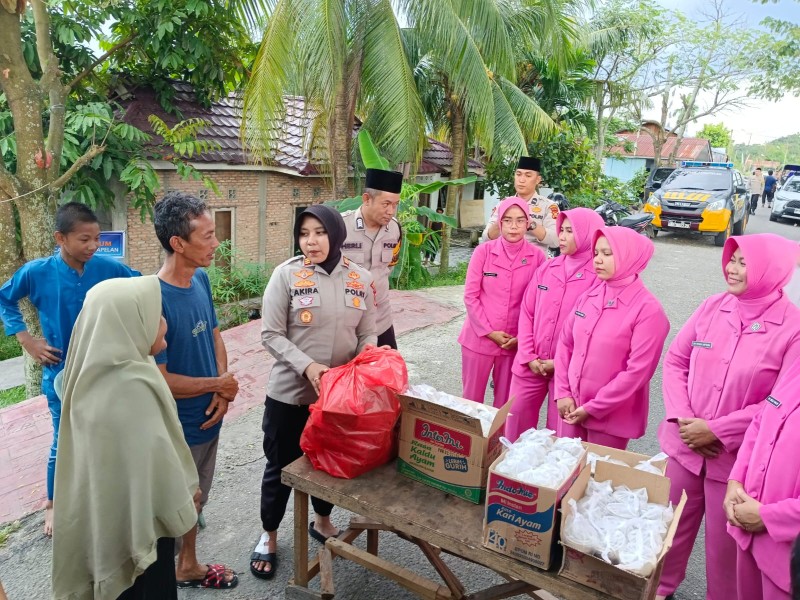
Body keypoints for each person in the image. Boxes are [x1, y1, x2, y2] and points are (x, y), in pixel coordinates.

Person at [655, 233, 800, 600]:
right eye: (731, 260)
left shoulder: (793, 329)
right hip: (685, 446)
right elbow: (675, 361)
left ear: (771, 269)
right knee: (663, 534)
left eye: (743, 262)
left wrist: (716, 431)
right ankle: (658, 591)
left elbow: (779, 403)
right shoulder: (712, 306)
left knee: (725, 560)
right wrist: (683, 420)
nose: (732, 269)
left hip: (735, 465)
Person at [51, 277, 200, 600]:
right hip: (138, 524)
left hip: (110, 521)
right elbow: (157, 468)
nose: (163, 324)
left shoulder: (101, 375)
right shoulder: (128, 391)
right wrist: (187, 493)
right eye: (156, 315)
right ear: (128, 323)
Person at [252, 204, 377, 579]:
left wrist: (366, 354)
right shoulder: (286, 275)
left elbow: (367, 331)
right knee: (280, 467)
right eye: (304, 233)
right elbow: (270, 334)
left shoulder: (360, 278)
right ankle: (269, 534)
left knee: (328, 464)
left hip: (337, 398)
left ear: (335, 234)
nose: (311, 241)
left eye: (319, 232)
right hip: (290, 395)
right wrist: (308, 367)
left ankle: (322, 521)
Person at [0, 202, 139, 537]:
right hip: (60, 375)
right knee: (63, 443)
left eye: (96, 238)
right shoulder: (37, 272)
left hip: (106, 374)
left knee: (111, 437)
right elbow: (5, 298)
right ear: (60, 238)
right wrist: (27, 340)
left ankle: (110, 497)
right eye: (84, 239)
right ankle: (54, 504)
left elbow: (142, 288)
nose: (92, 246)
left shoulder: (108, 268)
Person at [152, 191, 239, 589]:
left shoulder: (201, 278)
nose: (216, 243)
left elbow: (216, 337)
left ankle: (187, 562)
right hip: (178, 426)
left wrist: (221, 392)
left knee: (198, 496)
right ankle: (163, 574)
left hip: (210, 416)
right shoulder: (154, 300)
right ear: (178, 243)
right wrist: (217, 384)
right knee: (176, 504)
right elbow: (161, 379)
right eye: (207, 236)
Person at [554, 227, 669, 449]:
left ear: (629, 256)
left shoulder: (648, 311)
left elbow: (637, 372)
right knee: (565, 474)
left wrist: (593, 407)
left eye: (607, 254)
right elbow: (566, 344)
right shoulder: (589, 296)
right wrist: (563, 392)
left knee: (600, 479)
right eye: (596, 253)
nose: (597, 260)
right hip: (571, 407)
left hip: (610, 419)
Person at [505, 207, 604, 439]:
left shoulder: (598, 277)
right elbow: (528, 312)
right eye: (561, 230)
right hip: (531, 364)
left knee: (560, 434)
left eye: (570, 231)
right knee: (514, 423)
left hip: (569, 372)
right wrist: (528, 355)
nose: (561, 236)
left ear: (588, 234)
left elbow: (592, 331)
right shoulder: (548, 268)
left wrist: (559, 363)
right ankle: (510, 474)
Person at [458, 197, 545, 407]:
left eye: (519, 220)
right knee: (471, 401)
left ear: (528, 223)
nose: (513, 226)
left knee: (505, 404)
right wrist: (489, 332)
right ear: (499, 223)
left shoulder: (538, 257)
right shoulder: (483, 252)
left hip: (513, 342)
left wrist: (522, 338)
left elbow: (538, 303)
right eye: (507, 220)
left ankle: (497, 441)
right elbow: (471, 296)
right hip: (478, 339)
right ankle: (471, 441)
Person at [724, 360, 800, 600]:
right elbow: (761, 422)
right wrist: (735, 480)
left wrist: (768, 517)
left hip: (788, 557)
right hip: (750, 534)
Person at [342, 168, 402, 349]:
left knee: (388, 371)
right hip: (349, 322)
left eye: (396, 204)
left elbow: (389, 266)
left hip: (381, 319)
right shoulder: (341, 227)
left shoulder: (395, 229)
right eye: (386, 204)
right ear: (367, 199)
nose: (391, 211)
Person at [482, 156, 559, 254]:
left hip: (535, 262)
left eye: (528, 176)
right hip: (504, 260)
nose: (521, 180)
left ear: (538, 180)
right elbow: (486, 238)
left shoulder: (548, 206)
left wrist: (531, 224)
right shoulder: (503, 204)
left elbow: (556, 241)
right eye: (518, 174)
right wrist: (501, 222)